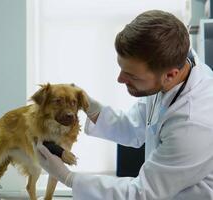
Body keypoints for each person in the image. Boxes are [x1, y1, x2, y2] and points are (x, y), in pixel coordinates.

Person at [36, 10, 213, 199]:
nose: (120, 79)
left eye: (131, 75)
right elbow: (138, 126)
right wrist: (93, 109)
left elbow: (142, 193)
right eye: (122, 68)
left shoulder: (194, 123)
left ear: (170, 75)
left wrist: (68, 178)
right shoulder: (175, 66)